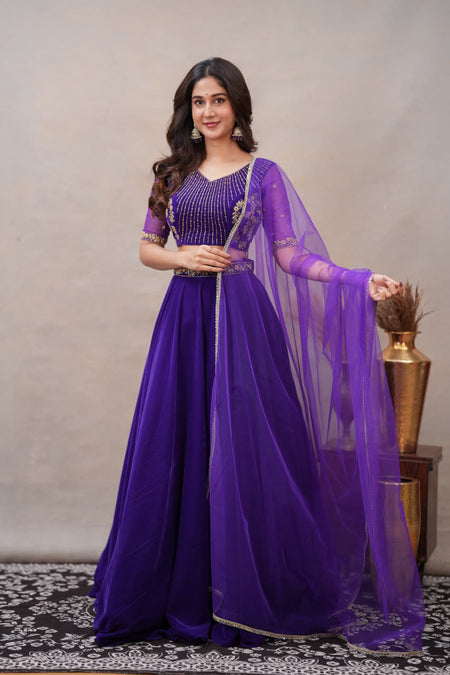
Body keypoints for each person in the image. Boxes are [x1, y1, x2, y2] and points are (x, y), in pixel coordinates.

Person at [90, 57, 424, 653]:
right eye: (199, 102)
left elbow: (291, 256)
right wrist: (183, 257)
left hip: (243, 321)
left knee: (247, 441)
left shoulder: (263, 174)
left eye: (218, 100)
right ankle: (171, 585)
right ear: (188, 111)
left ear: (237, 106)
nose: (208, 111)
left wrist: (357, 279)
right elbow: (147, 247)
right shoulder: (171, 174)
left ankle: (245, 588)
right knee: (178, 437)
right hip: (184, 317)